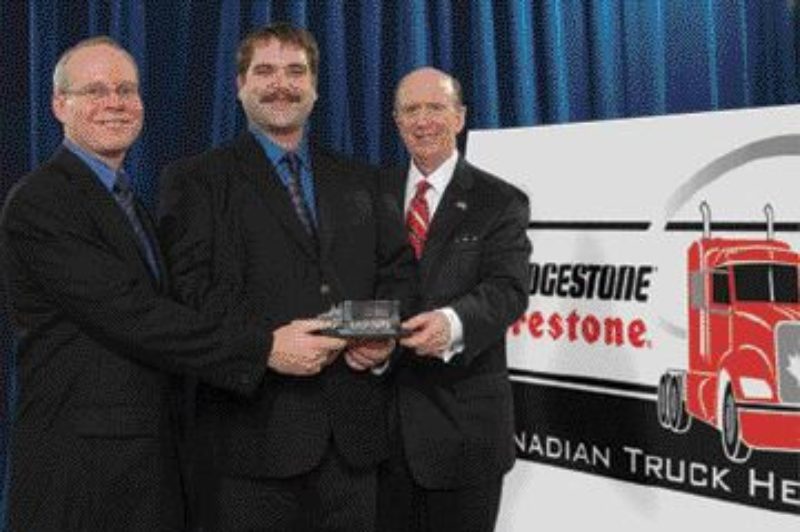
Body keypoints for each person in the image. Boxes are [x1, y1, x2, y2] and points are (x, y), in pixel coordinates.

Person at [0, 37, 293, 531]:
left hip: (143, 463)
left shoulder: (126, 199)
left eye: (125, 89)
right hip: (83, 474)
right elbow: (134, 314)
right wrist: (263, 348)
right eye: (95, 91)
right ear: (58, 105)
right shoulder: (42, 202)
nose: (114, 103)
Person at [158, 23, 416, 532]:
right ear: (240, 85)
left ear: (315, 85)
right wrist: (264, 346)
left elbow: (400, 275)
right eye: (265, 71)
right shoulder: (195, 181)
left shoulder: (362, 179)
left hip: (354, 446)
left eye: (296, 71)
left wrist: (385, 340)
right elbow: (188, 294)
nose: (282, 84)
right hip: (249, 448)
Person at [378, 67, 532, 532]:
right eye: (411, 110)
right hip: (381, 439)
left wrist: (452, 324)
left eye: (436, 107)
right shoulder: (370, 195)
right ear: (396, 121)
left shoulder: (500, 201)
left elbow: (509, 289)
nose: (423, 120)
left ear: (460, 117)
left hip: (465, 436)